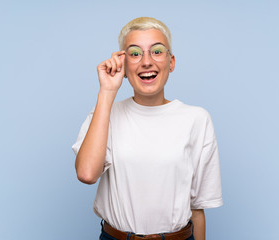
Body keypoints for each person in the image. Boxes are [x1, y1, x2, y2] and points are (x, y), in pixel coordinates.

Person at [72, 17, 223, 240]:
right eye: (135, 53)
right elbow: (86, 174)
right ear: (122, 65)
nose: (146, 62)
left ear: (171, 62)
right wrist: (107, 92)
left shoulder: (196, 119)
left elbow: (197, 208)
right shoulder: (104, 116)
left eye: (157, 51)